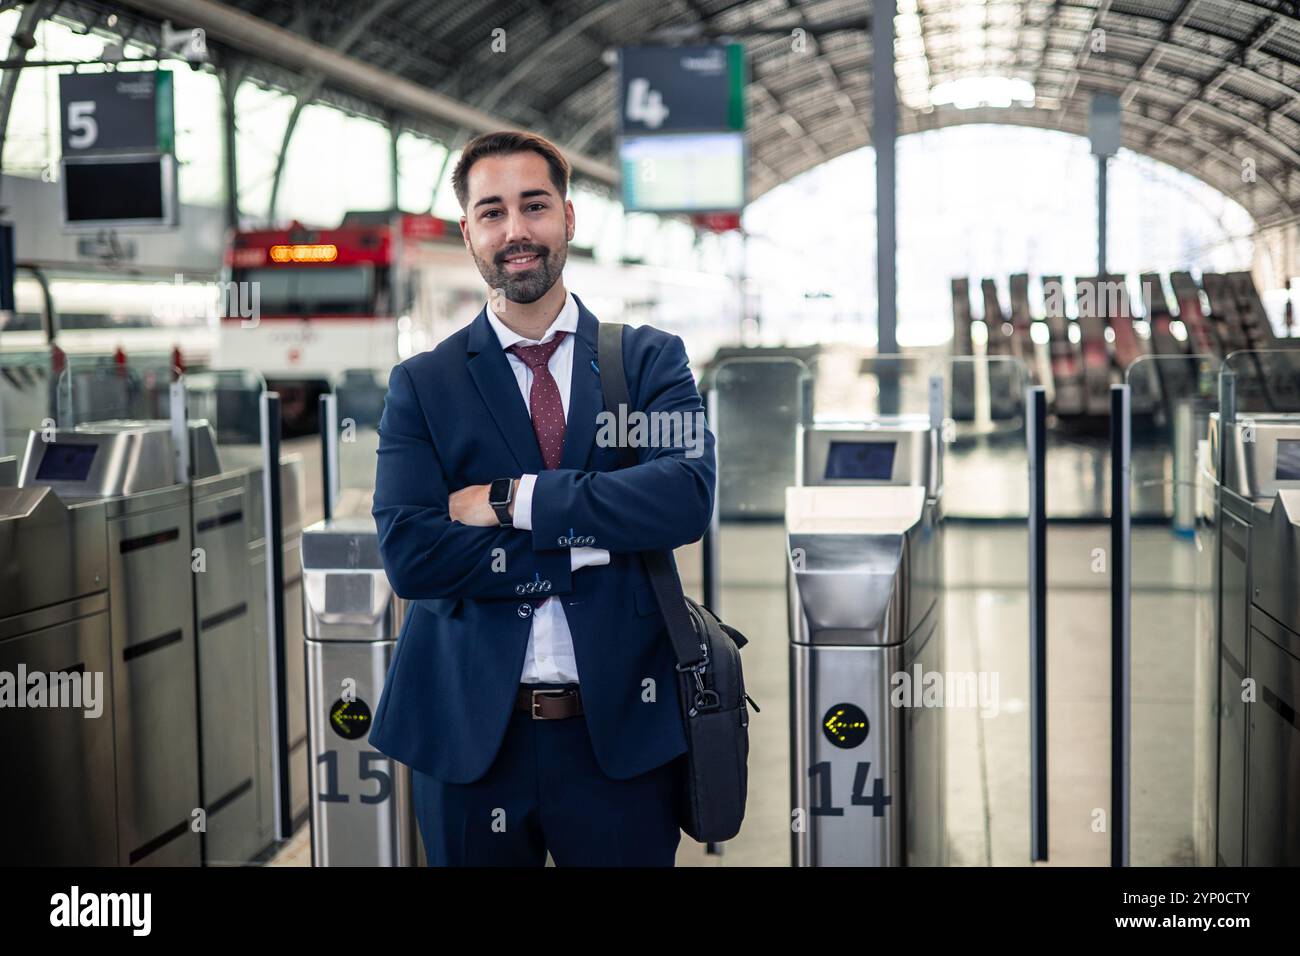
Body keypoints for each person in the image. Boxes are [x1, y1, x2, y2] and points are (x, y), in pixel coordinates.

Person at [367, 129, 716, 866]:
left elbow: (683, 498)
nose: (515, 231)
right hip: (470, 741)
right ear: (468, 233)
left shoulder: (651, 360)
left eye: (534, 206)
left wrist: (512, 500)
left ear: (568, 218)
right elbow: (413, 557)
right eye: (491, 212)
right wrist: (589, 542)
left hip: (620, 733)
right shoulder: (423, 386)